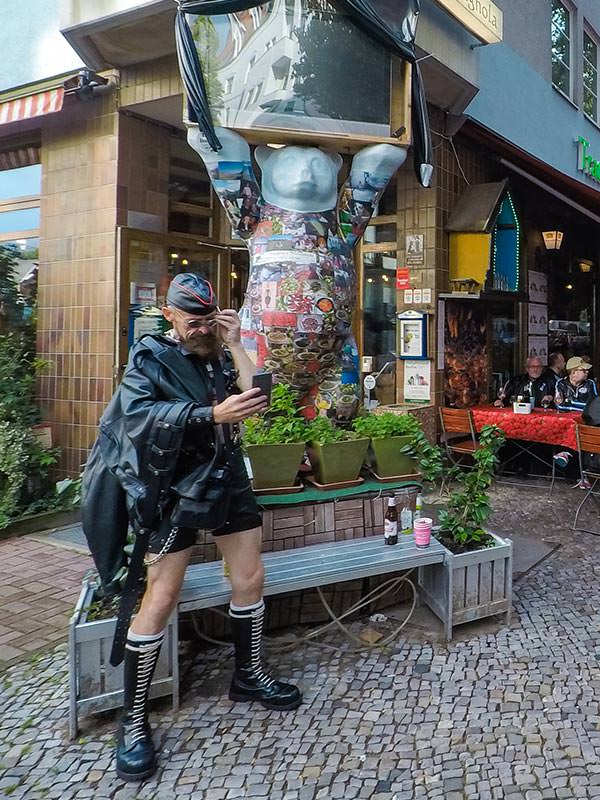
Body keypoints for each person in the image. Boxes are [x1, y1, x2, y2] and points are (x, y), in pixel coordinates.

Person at [81, 273, 301, 783]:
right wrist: (210, 414)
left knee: (250, 577)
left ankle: (248, 675)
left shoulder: (219, 351)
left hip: (226, 476)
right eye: (193, 321)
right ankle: (133, 720)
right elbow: (139, 415)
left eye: (208, 319)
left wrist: (237, 343)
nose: (202, 329)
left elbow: (259, 396)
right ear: (170, 314)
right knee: (161, 595)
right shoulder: (149, 356)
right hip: (173, 485)